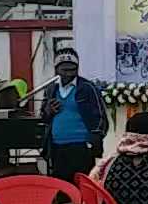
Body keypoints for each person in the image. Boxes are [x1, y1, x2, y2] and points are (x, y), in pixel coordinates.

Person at [40, 50, 107, 185]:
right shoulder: (51, 89)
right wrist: (48, 111)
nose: (68, 73)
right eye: (64, 69)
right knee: (61, 186)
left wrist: (94, 140)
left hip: (81, 146)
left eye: (72, 69)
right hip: (57, 146)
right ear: (57, 69)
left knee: (82, 185)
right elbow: (43, 116)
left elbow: (100, 116)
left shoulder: (87, 88)